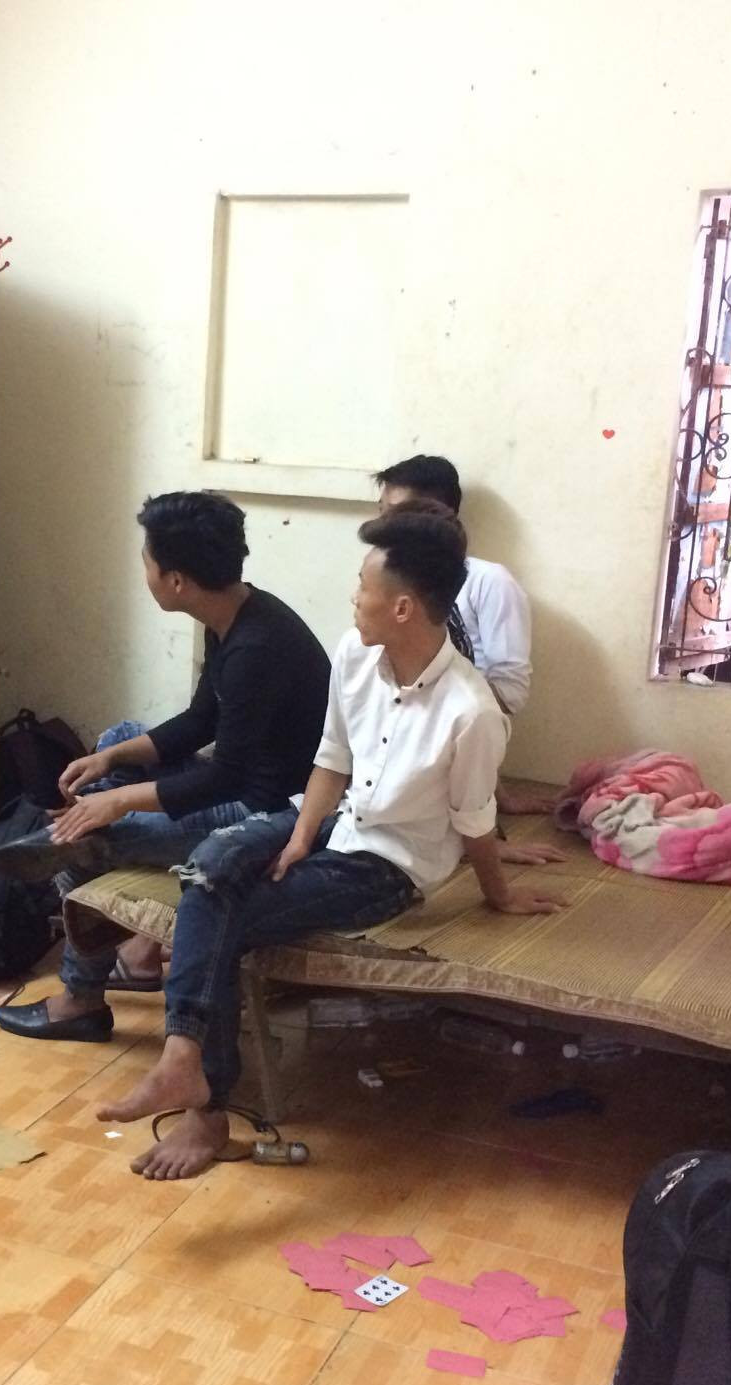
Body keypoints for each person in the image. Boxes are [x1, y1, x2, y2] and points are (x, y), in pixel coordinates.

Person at [95, 510, 566, 1179]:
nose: (353, 595)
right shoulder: (354, 654)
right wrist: (299, 837)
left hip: (386, 865)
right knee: (209, 867)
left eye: (363, 585)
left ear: (402, 608)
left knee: (223, 910)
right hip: (327, 819)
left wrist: (500, 894)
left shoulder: (472, 711)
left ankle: (202, 1097)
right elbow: (332, 759)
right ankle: (186, 1067)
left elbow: (473, 821)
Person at [0, 492, 331, 1045]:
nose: (144, 571)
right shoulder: (234, 614)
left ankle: (80, 997)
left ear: (176, 581)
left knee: (90, 842)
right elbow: (200, 722)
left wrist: (118, 801)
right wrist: (111, 760)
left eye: (147, 561)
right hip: (239, 780)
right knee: (118, 738)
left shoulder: (256, 649)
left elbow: (226, 778)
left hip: (265, 811)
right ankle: (127, 930)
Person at [374, 454, 533, 715]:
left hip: (461, 735)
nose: (382, 526)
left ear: (437, 516)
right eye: (382, 511)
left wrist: (429, 705)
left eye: (396, 514)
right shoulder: (380, 578)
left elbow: (510, 694)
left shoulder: (489, 581)